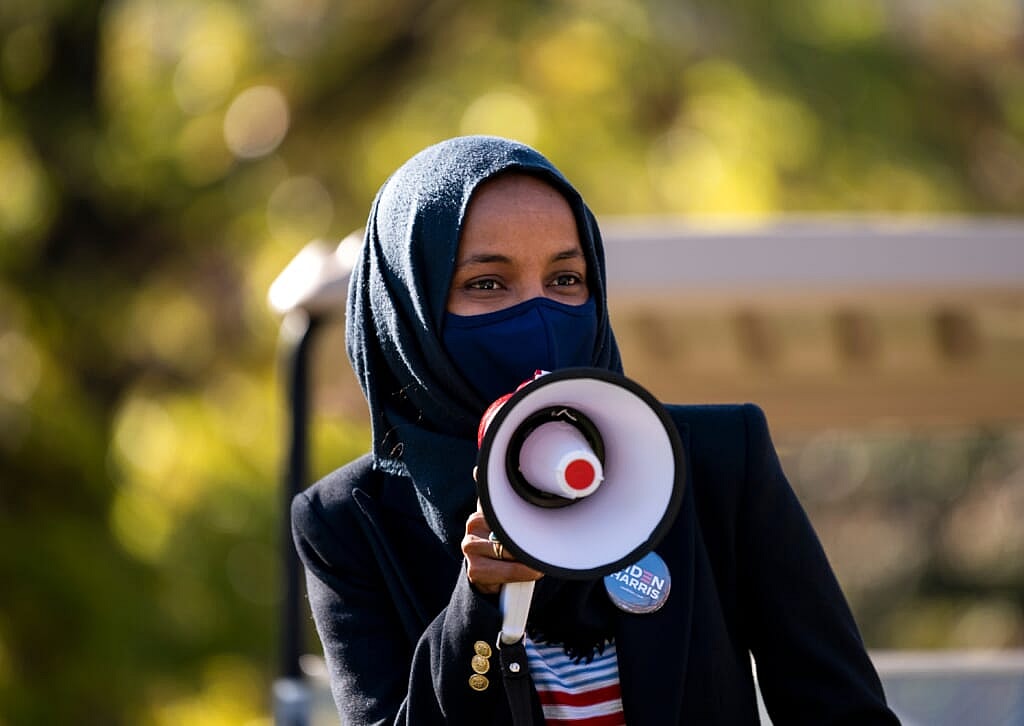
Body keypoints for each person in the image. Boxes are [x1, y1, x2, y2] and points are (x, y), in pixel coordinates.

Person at [291, 135, 900, 725]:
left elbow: (842, 711)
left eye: (564, 280)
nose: (539, 315)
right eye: (486, 284)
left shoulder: (717, 462)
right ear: (410, 311)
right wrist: (477, 608)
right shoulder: (349, 522)